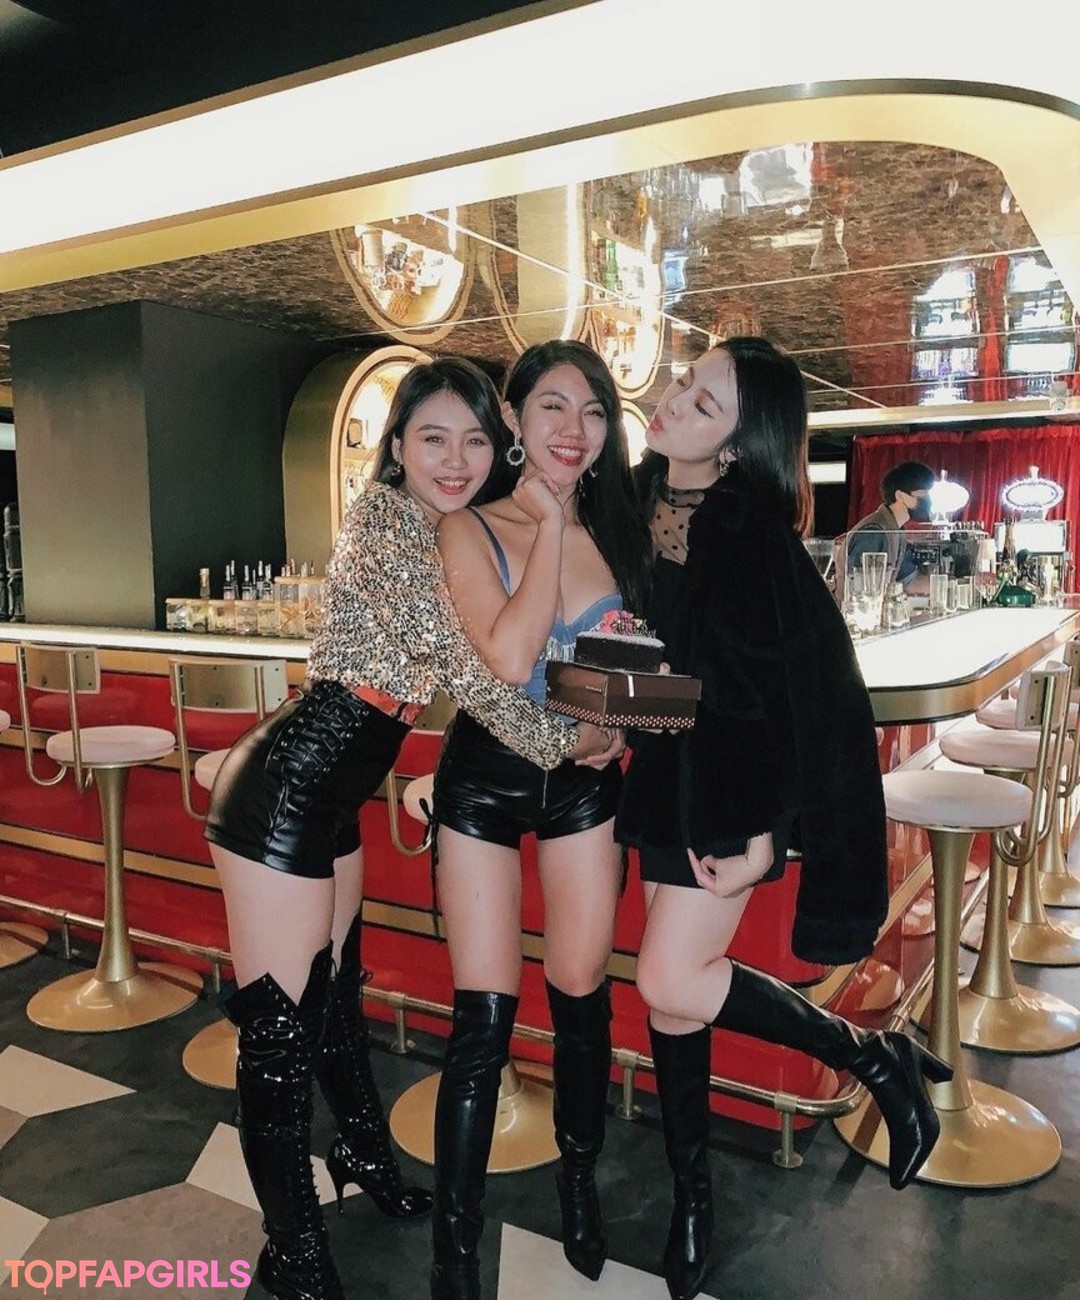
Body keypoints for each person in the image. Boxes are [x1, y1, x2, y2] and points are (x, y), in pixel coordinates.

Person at [205, 356, 614, 1300]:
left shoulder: (444, 530)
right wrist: (579, 740)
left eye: (474, 441)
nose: (456, 459)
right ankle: (292, 1254)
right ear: (396, 448)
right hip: (286, 792)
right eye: (433, 438)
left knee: (336, 998)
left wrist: (621, 713)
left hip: (333, 793)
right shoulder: (392, 525)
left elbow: (523, 662)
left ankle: (364, 1156)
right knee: (280, 1034)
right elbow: (481, 675)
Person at [615, 339, 953, 1300]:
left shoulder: (753, 535)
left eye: (705, 401)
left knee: (669, 975)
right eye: (686, 382)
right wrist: (603, 701)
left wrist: (771, 831)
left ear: (738, 444)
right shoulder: (628, 505)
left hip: (724, 793)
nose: (676, 399)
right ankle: (692, 1197)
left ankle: (868, 1056)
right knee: (673, 1001)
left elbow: (812, 693)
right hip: (656, 784)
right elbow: (624, 661)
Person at [429, 339, 652, 1299]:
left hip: (584, 790)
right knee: (483, 1018)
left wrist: (619, 723)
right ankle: (454, 1250)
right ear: (514, 418)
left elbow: (643, 681)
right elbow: (510, 655)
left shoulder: (624, 532)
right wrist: (551, 524)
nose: (575, 428)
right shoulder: (466, 526)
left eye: (594, 411)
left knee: (579, 993)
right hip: (484, 783)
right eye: (553, 406)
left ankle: (578, 1184)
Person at [843, 459, 937, 592]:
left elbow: (909, 582)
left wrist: (950, 583)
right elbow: (859, 589)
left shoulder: (897, 532)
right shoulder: (873, 532)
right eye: (924, 493)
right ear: (900, 496)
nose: (928, 499)